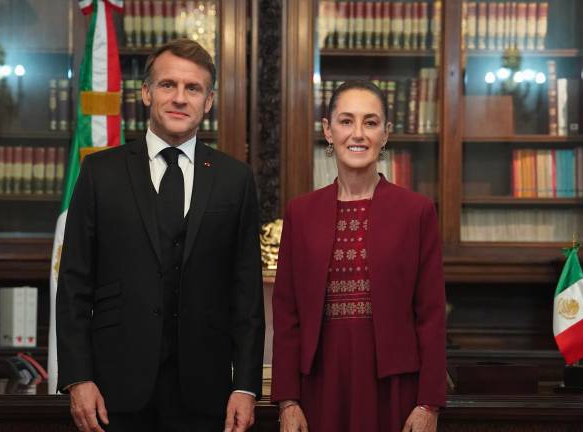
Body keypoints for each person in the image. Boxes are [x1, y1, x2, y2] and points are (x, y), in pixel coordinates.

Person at [57, 38, 264, 432]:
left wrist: (247, 387)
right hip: (113, 390)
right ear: (147, 92)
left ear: (209, 100)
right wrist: (77, 377)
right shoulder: (100, 173)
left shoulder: (235, 179)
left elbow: (247, 291)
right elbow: (74, 283)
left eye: (193, 88)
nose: (180, 98)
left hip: (206, 393)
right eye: (168, 85)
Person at [271, 80, 446, 432]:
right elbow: (287, 315)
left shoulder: (417, 211)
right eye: (346, 121)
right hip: (319, 384)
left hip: (394, 388)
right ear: (328, 131)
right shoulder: (301, 213)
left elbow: (431, 314)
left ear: (386, 134)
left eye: (371, 122)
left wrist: (429, 404)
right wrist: (287, 401)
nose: (358, 134)